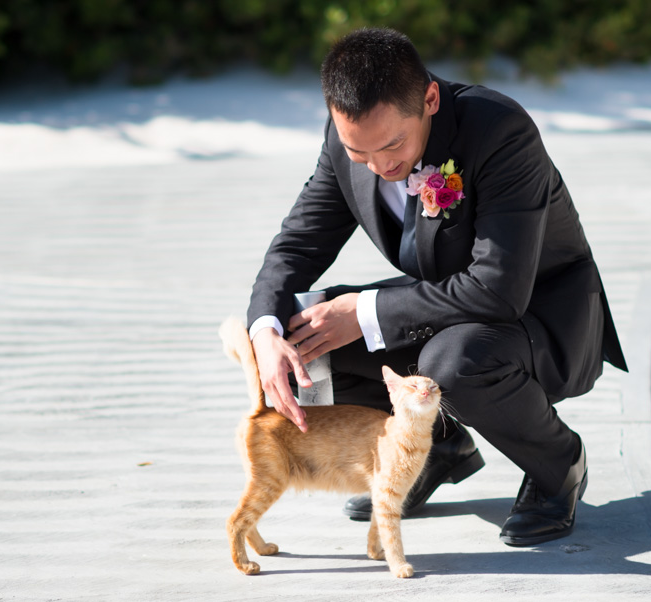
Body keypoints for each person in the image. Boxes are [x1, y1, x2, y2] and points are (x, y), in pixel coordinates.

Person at [246, 27, 627, 546]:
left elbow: (498, 289)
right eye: (361, 154)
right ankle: (440, 446)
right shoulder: (348, 138)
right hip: (452, 309)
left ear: (429, 98)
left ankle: (559, 463)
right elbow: (297, 246)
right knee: (305, 339)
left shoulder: (500, 131)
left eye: (393, 145)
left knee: (451, 362)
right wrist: (265, 329)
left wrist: (361, 311)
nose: (380, 167)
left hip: (543, 317)